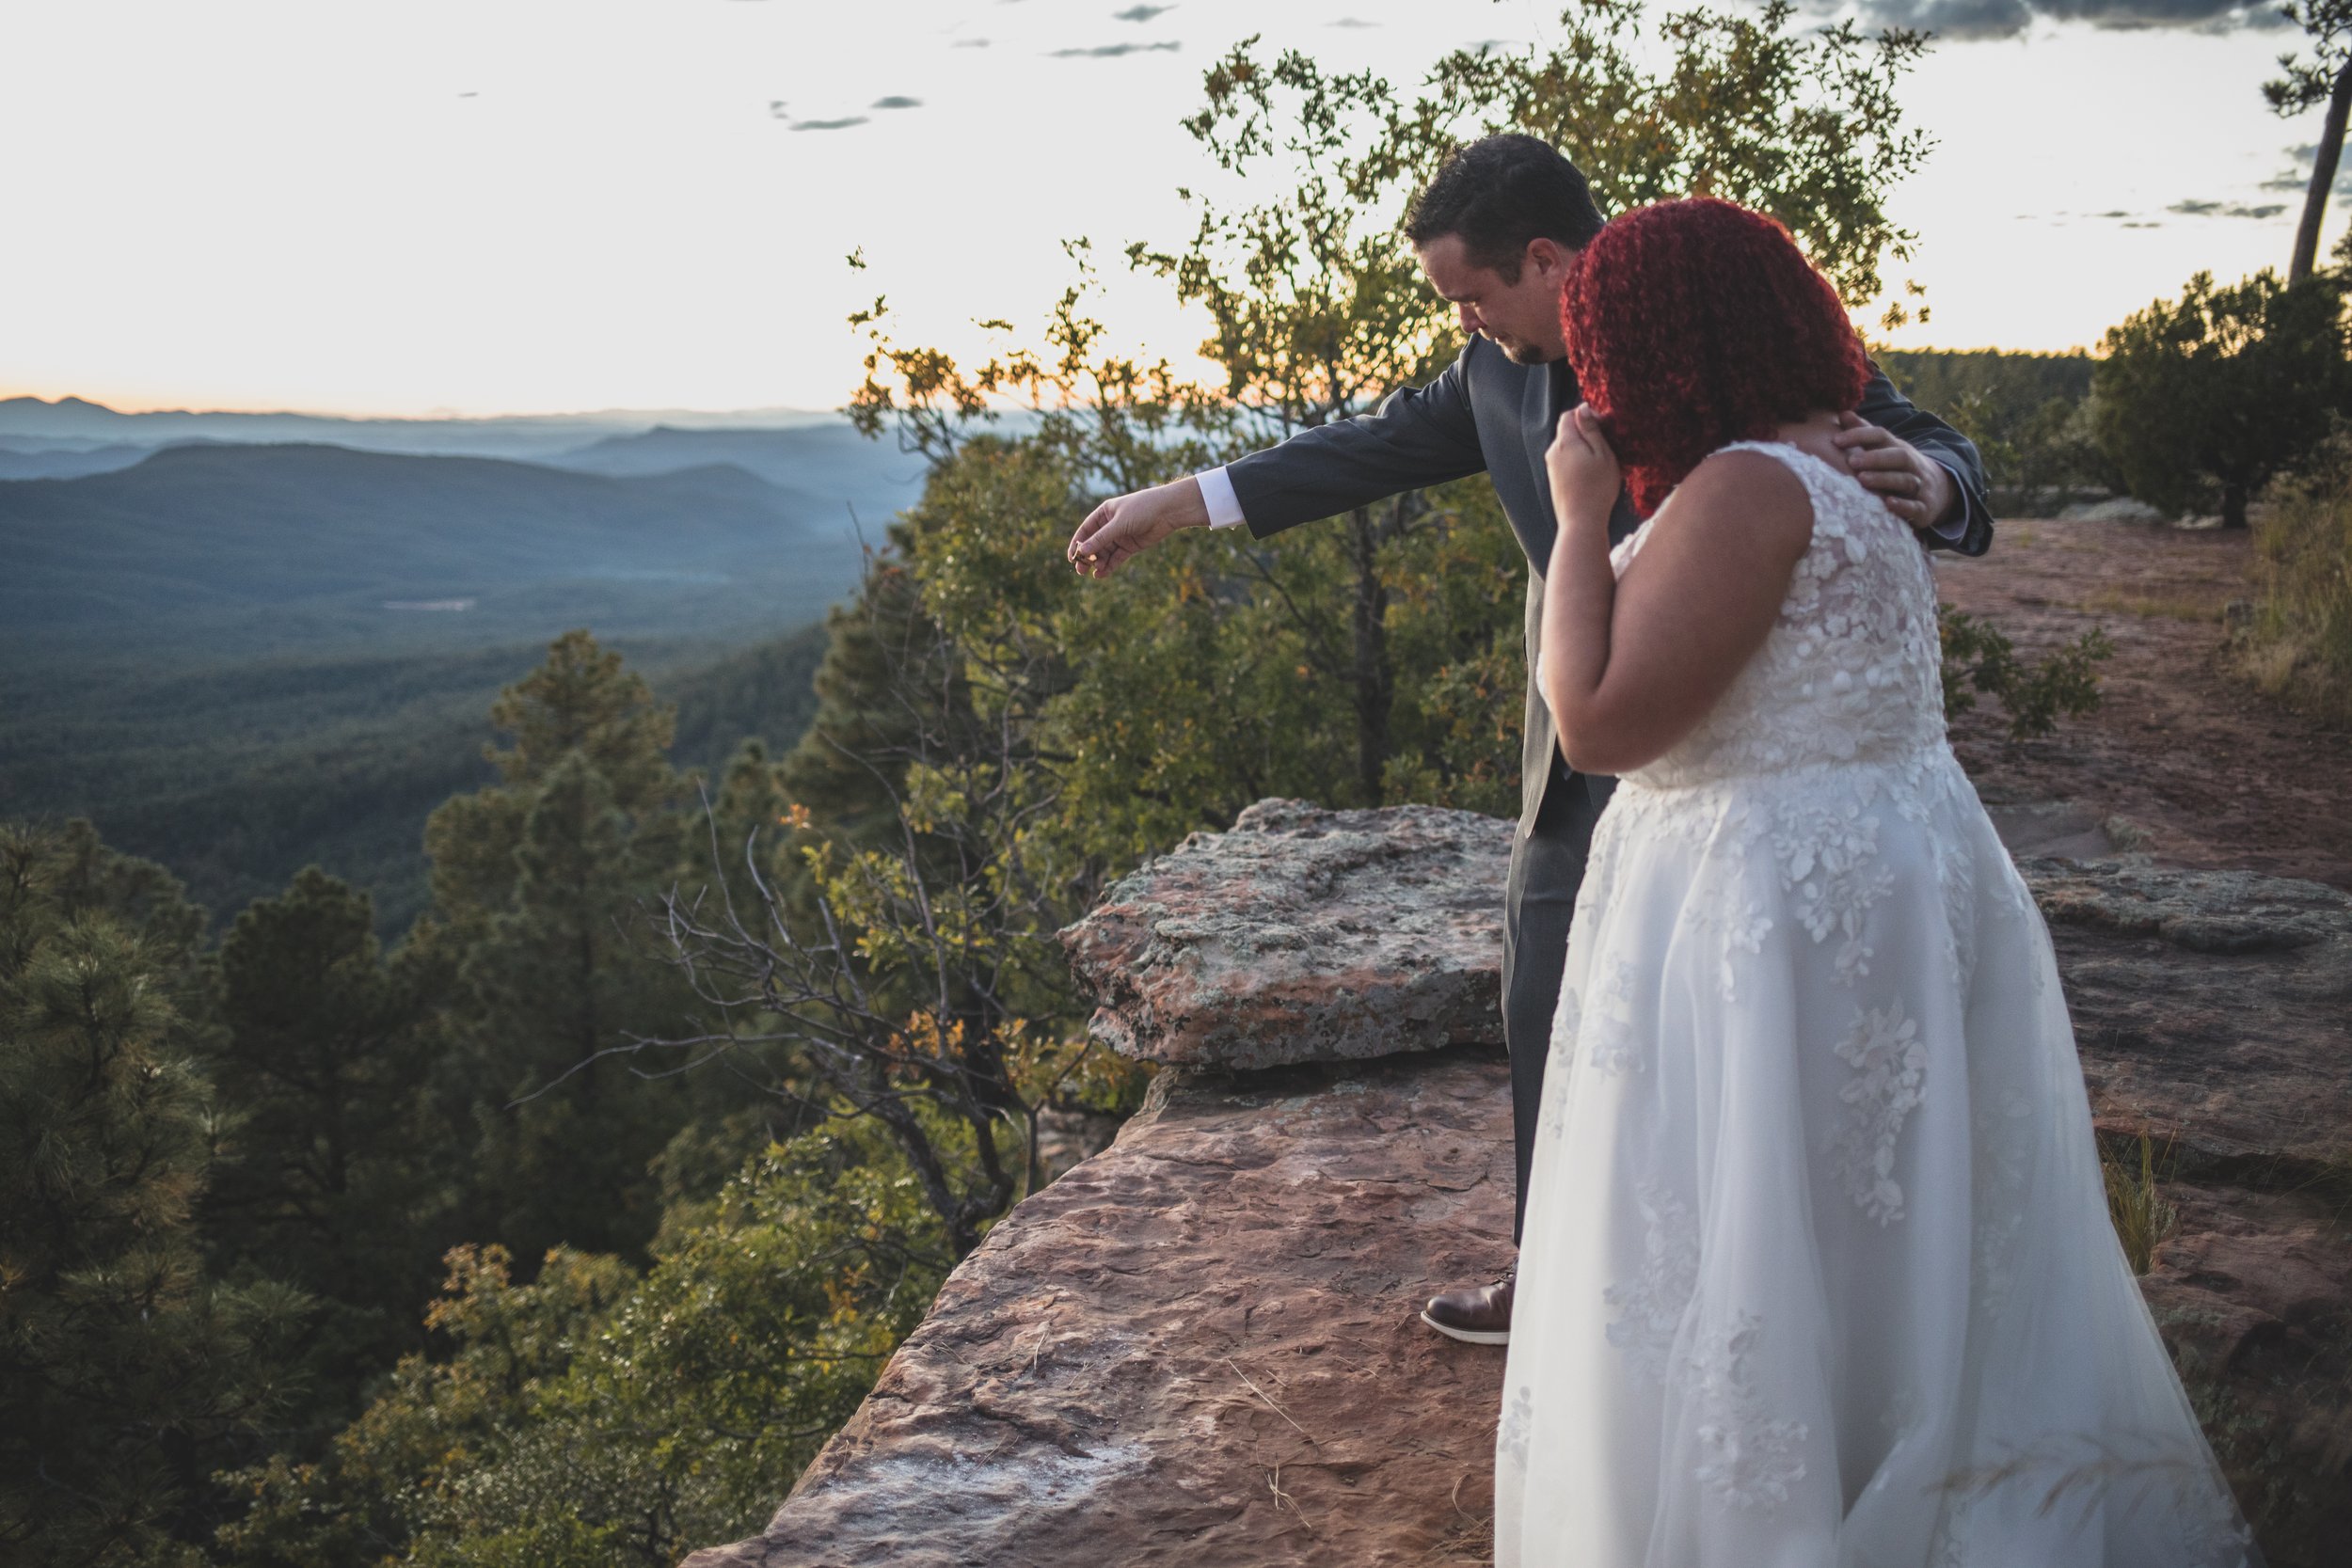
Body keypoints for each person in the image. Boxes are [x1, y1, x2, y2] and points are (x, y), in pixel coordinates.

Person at [1064, 134, 1992, 1344]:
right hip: (1580, 775)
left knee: (1763, 1040)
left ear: (1544, 259)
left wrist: (1932, 478)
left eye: (1472, 293)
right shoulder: (1493, 378)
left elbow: (1930, 442)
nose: (1468, 321)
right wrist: (1177, 501)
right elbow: (1357, 449)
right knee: (1555, 1003)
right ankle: (1559, 1274)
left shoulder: (1718, 323)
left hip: (1762, 775)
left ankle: (1779, 1302)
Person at [1495, 195, 2258, 1565]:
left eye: (1603, 345)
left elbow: (1599, 722)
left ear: (1663, 341)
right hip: (1874, 872)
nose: (1589, 380)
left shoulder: (1744, 484)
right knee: (1864, 1230)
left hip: (1773, 907)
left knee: (1777, 1225)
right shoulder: (1850, 463)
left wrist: (1576, 512)